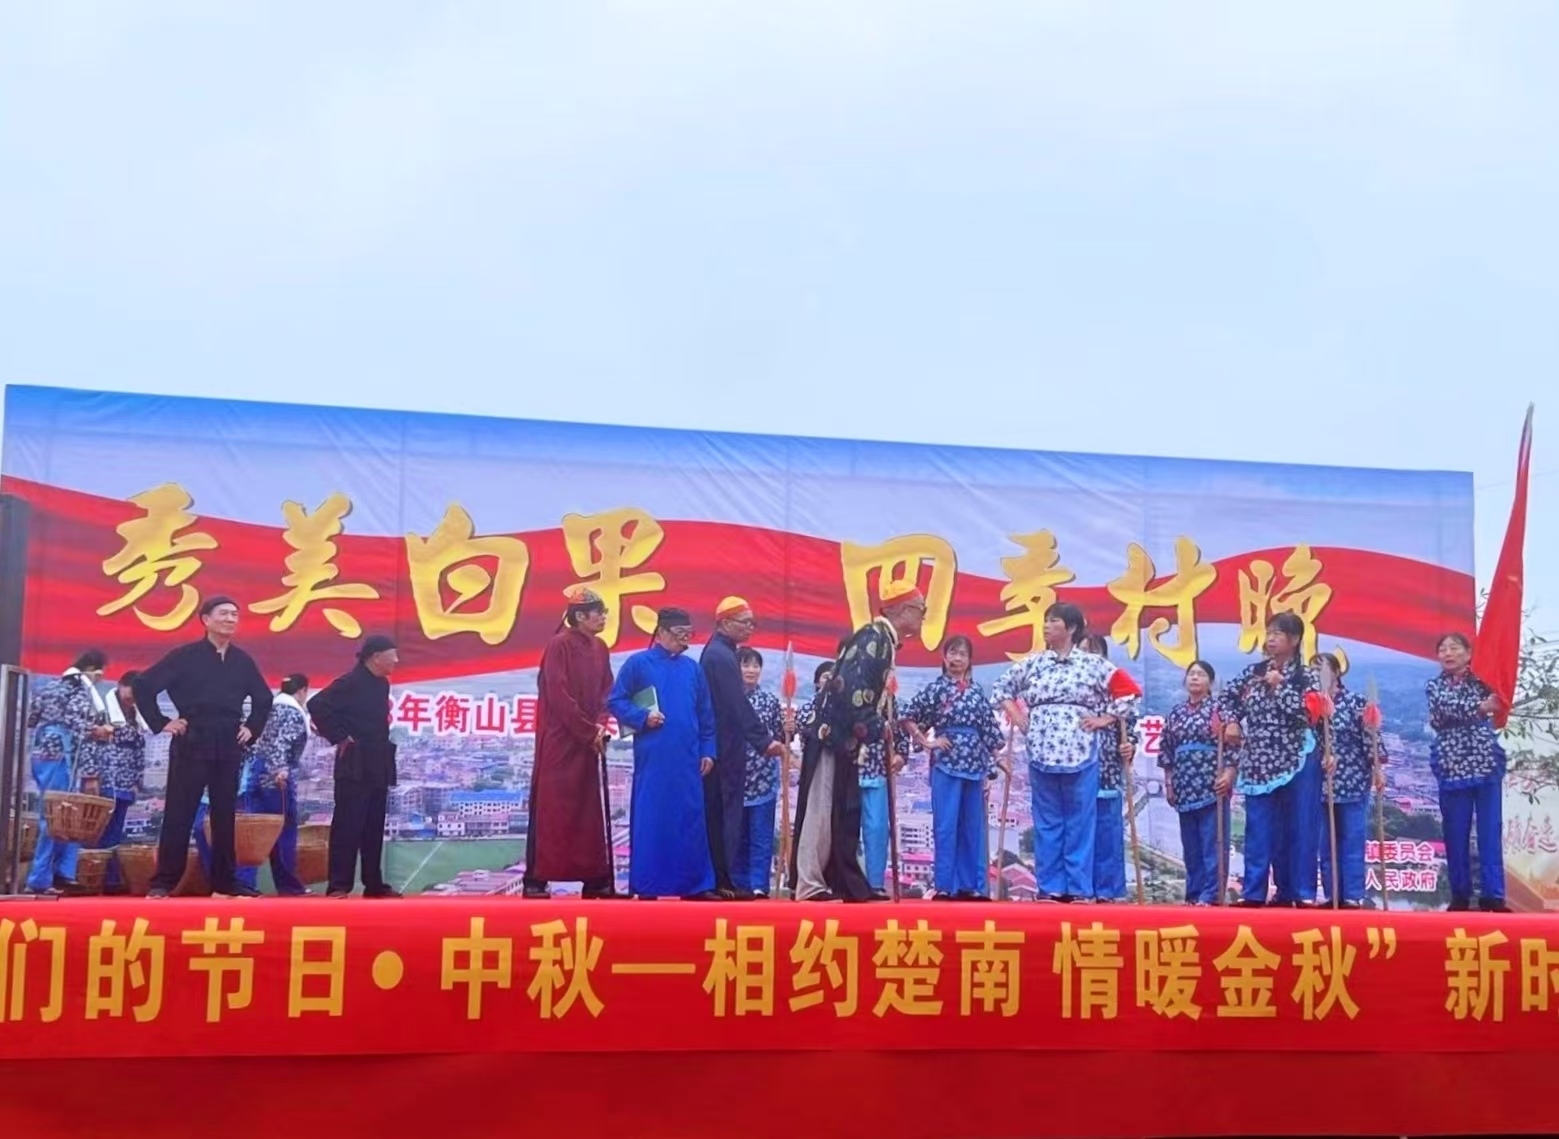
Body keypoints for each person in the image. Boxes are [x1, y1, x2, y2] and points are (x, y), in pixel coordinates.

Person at [790, 581, 927, 903]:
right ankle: (809, 885)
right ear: (903, 610)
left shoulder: (882, 640)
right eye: (921, 609)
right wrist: (877, 725)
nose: (924, 616)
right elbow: (852, 690)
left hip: (845, 739)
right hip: (830, 736)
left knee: (841, 813)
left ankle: (841, 883)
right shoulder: (874, 638)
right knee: (821, 810)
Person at [994, 604, 1139, 903]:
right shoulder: (1034, 663)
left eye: (1054, 621)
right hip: (1041, 751)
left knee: (1080, 822)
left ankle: (1078, 887)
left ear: (1071, 628)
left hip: (1080, 752)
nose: (1046, 626)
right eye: (1045, 621)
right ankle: (1051, 886)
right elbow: (1001, 688)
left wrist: (1104, 719)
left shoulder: (1093, 665)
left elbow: (1129, 692)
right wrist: (1018, 717)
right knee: (1047, 821)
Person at [137, 598, 273, 899]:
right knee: (179, 812)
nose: (231, 619)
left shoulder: (242, 660)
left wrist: (252, 728)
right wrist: (162, 722)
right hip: (192, 738)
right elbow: (143, 685)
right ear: (206, 620)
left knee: (224, 815)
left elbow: (263, 698)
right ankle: (163, 882)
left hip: (228, 741)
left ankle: (225, 883)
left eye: (235, 614)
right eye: (223, 613)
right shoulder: (184, 656)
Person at [608, 607, 719, 899]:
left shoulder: (693, 669)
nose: (685, 640)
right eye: (680, 634)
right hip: (654, 756)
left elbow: (706, 714)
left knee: (690, 820)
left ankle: (696, 886)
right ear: (661, 633)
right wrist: (642, 717)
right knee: (652, 818)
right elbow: (616, 701)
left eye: (688, 634)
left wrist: (708, 750)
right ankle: (648, 885)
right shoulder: (638, 664)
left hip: (689, 758)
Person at [1216, 612, 1319, 908]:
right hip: (1259, 759)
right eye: (1269, 632)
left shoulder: (1305, 676)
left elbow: (1309, 714)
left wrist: (1280, 687)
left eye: (1278, 633)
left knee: (1297, 827)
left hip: (1295, 758)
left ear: (1294, 639)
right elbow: (1226, 699)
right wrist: (1232, 721)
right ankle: (1253, 892)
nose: (1270, 638)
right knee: (1258, 827)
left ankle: (1297, 892)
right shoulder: (1254, 672)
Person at [524, 586, 615, 899]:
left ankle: (594, 878)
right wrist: (588, 730)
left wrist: (600, 726)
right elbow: (558, 694)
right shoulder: (559, 645)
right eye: (599, 613)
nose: (603, 618)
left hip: (588, 742)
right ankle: (536, 879)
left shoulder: (600, 647)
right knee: (553, 810)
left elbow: (606, 692)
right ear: (580, 617)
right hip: (560, 740)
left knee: (587, 813)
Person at [901, 635, 1005, 901]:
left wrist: (999, 758)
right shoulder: (936, 689)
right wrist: (927, 742)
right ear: (944, 657)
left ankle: (972, 886)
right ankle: (945, 885)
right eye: (952, 653)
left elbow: (988, 729)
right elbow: (907, 715)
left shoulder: (977, 691)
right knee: (946, 825)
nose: (957, 659)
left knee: (973, 827)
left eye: (962, 654)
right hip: (946, 763)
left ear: (970, 660)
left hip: (975, 764)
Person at [700, 598, 786, 899]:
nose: (750, 627)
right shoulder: (720, 657)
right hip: (724, 749)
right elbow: (737, 705)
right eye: (745, 622)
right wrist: (763, 741)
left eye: (753, 622)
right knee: (723, 816)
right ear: (725, 623)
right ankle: (722, 881)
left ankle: (726, 881)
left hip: (728, 746)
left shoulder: (723, 653)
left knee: (727, 816)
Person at [309, 635, 401, 899]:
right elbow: (316, 705)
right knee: (348, 826)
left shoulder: (382, 684)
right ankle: (339, 885)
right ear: (376, 657)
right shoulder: (349, 682)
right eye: (392, 655)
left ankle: (374, 884)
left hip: (378, 761)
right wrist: (340, 736)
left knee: (374, 825)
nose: (396, 660)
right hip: (354, 763)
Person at [1426, 632, 1508, 913]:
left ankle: (1493, 895)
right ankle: (1460, 895)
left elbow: (1501, 698)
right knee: (1455, 832)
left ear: (1469, 654)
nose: (1448, 653)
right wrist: (1481, 707)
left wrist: (1491, 705)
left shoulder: (1484, 681)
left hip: (1485, 762)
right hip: (1451, 764)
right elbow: (1444, 709)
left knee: (1490, 830)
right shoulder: (1434, 686)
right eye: (1443, 649)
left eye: (1454, 648)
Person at [26, 650, 114, 894]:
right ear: (93, 669)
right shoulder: (79, 690)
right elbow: (80, 724)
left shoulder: (49, 687)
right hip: (61, 754)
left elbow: (31, 719)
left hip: (41, 751)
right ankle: (41, 879)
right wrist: (100, 730)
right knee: (57, 817)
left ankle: (58, 874)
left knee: (56, 814)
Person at [1158, 660, 1231, 905]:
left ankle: (1212, 894)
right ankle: (1194, 893)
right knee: (1191, 846)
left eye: (1201, 674)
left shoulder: (1219, 710)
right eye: (1191, 674)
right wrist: (1169, 783)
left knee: (1213, 843)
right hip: (1184, 785)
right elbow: (1166, 750)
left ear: (1210, 682)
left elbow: (1233, 745)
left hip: (1211, 783)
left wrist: (1229, 774)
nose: (1195, 678)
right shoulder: (1176, 713)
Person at [1313, 653, 1383, 909]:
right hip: (1321, 782)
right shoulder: (1311, 705)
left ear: (1336, 672)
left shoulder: (1355, 702)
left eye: (1322, 668)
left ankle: (1352, 895)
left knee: (1351, 839)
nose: (1317, 674)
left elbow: (1371, 739)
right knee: (1326, 843)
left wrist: (1377, 769)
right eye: (1313, 669)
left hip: (1352, 779)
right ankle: (1332, 894)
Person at [235, 673, 311, 896]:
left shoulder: (269, 708)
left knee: (253, 831)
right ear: (302, 691)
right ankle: (288, 886)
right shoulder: (292, 712)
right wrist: (279, 770)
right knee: (284, 831)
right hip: (277, 777)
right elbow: (281, 742)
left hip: (256, 772)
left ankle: (244, 884)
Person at [1079, 634, 1140, 903]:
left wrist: (1129, 746)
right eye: (1083, 652)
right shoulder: (1072, 690)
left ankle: (1106, 891)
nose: (1089, 658)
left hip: (1107, 773)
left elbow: (1130, 730)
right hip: (1076, 775)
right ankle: (1080, 889)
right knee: (1079, 836)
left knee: (1107, 833)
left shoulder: (1116, 693)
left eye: (1094, 652)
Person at [77, 671, 149, 894]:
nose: (131, 697)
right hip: (104, 776)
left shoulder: (135, 715)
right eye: (129, 691)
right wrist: (91, 775)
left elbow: (140, 750)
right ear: (120, 685)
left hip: (126, 780)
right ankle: (90, 878)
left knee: (115, 832)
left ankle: (111, 878)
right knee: (97, 830)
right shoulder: (102, 710)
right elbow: (88, 743)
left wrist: (138, 780)